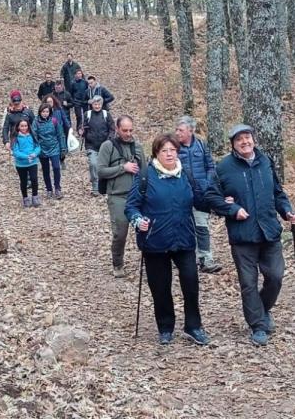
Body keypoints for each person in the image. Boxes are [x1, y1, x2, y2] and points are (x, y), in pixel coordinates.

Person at [204, 124, 295, 346]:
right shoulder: (224, 168)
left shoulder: (265, 161)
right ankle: (258, 326)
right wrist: (232, 209)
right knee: (248, 283)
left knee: (275, 276)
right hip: (242, 235)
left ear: (253, 140)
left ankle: (262, 309)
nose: (245, 142)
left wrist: (287, 211)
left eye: (247, 138)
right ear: (233, 145)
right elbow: (211, 197)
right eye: (239, 140)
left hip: (269, 231)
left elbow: (277, 192)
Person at [126, 134, 211, 346]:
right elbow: (131, 206)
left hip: (184, 238)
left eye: (172, 150)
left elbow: (201, 200)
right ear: (156, 153)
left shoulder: (186, 175)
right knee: (160, 286)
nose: (169, 154)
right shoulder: (146, 176)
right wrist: (138, 220)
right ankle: (165, 327)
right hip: (155, 241)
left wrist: (222, 201)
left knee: (191, 282)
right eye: (164, 150)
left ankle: (193, 326)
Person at [96, 115, 145, 277]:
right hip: (117, 196)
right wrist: (123, 168)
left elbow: (145, 171)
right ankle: (117, 264)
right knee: (120, 233)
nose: (128, 133)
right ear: (117, 129)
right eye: (125, 130)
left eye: (131, 130)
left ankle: (152, 262)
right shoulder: (107, 146)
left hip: (138, 196)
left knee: (145, 230)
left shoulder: (137, 147)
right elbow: (101, 170)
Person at [174, 116, 221, 274]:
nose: (177, 133)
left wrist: (207, 183)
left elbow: (211, 166)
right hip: (182, 195)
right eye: (177, 130)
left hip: (201, 195)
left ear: (191, 130)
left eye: (181, 130)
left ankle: (206, 259)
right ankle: (186, 258)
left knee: (202, 226)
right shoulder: (173, 147)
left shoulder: (201, 145)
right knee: (183, 227)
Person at [78, 95, 114, 195]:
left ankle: (105, 185)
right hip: (91, 145)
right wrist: (81, 131)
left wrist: (109, 140)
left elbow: (112, 129)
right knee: (93, 164)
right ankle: (95, 187)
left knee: (105, 166)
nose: (97, 106)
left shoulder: (106, 114)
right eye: (95, 104)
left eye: (99, 104)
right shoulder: (87, 114)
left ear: (102, 104)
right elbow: (82, 126)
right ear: (92, 105)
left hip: (105, 145)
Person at [33, 103, 66, 199]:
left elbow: (60, 134)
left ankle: (57, 188)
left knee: (56, 167)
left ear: (50, 112)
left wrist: (62, 148)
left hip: (54, 147)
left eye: (47, 112)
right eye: (43, 112)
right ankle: (49, 189)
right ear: (40, 112)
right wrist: (36, 147)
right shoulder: (36, 122)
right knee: (46, 170)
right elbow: (34, 135)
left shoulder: (54, 121)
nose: (45, 113)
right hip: (42, 149)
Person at [10, 119, 42, 208]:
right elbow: (15, 151)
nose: (24, 128)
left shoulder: (32, 135)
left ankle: (35, 196)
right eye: (22, 126)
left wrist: (35, 153)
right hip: (21, 164)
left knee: (34, 179)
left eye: (25, 126)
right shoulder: (16, 138)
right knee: (23, 181)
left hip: (33, 161)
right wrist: (26, 156)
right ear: (18, 127)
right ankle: (25, 198)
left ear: (28, 126)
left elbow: (38, 147)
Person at [45, 94, 72, 170]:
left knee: (62, 148)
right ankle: (54, 162)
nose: (49, 103)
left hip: (60, 131)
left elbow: (64, 118)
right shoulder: (44, 111)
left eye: (50, 101)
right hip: (49, 133)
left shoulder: (59, 109)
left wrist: (69, 128)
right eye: (48, 102)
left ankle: (62, 160)